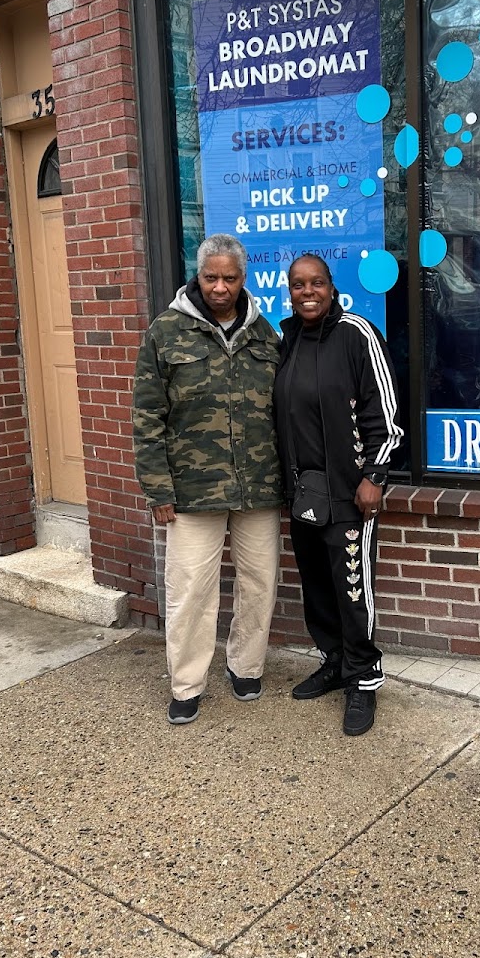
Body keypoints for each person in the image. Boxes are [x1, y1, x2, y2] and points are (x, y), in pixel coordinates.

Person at [132, 234, 283, 725]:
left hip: (259, 486)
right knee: (191, 589)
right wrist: (158, 488)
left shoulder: (267, 336)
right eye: (210, 277)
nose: (220, 287)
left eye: (230, 278)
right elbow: (147, 416)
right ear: (198, 276)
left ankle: (246, 666)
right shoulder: (166, 331)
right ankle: (187, 684)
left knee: (259, 583)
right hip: (191, 492)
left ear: (244, 279)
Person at [274, 254, 403, 737]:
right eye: (298, 285)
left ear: (332, 286)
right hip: (303, 493)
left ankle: (364, 679)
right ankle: (333, 661)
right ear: (289, 291)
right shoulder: (287, 339)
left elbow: (384, 414)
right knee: (317, 585)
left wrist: (375, 475)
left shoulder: (356, 334)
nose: (308, 292)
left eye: (317, 283)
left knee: (353, 589)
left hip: (350, 495)